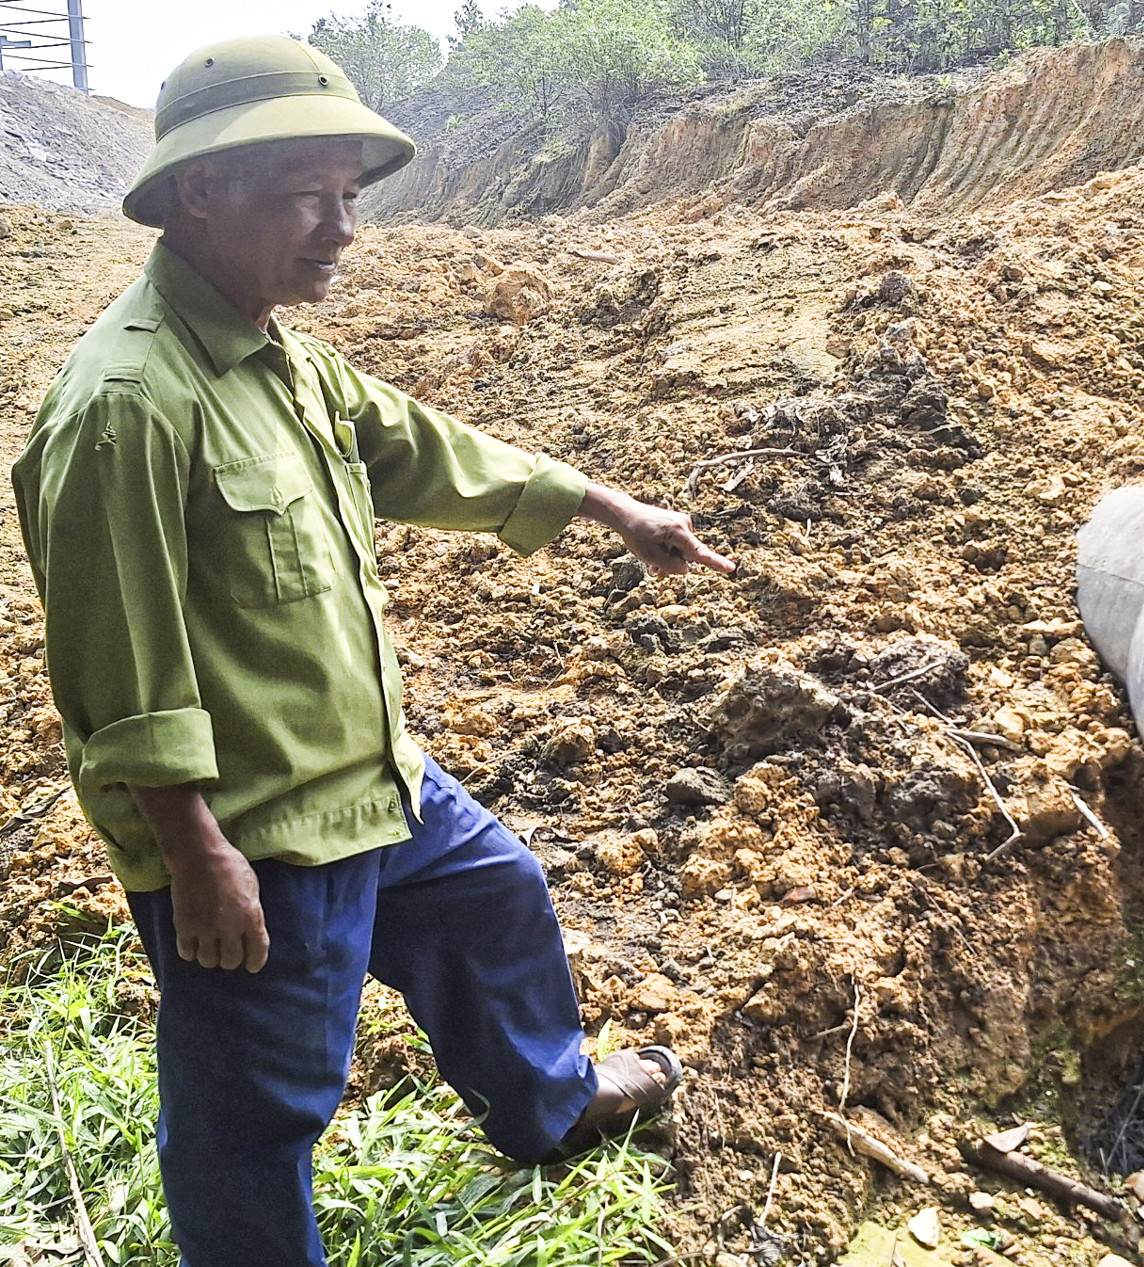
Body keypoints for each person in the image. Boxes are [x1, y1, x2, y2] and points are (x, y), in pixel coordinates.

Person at [10, 37, 733, 1267]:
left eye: (351, 195)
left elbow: (418, 446)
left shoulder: (275, 346)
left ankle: (552, 1108)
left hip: (374, 784)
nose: (342, 227)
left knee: (495, 901)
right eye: (309, 193)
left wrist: (609, 505)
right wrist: (197, 857)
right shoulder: (129, 402)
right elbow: (116, 674)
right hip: (258, 833)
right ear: (201, 191)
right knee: (259, 1109)